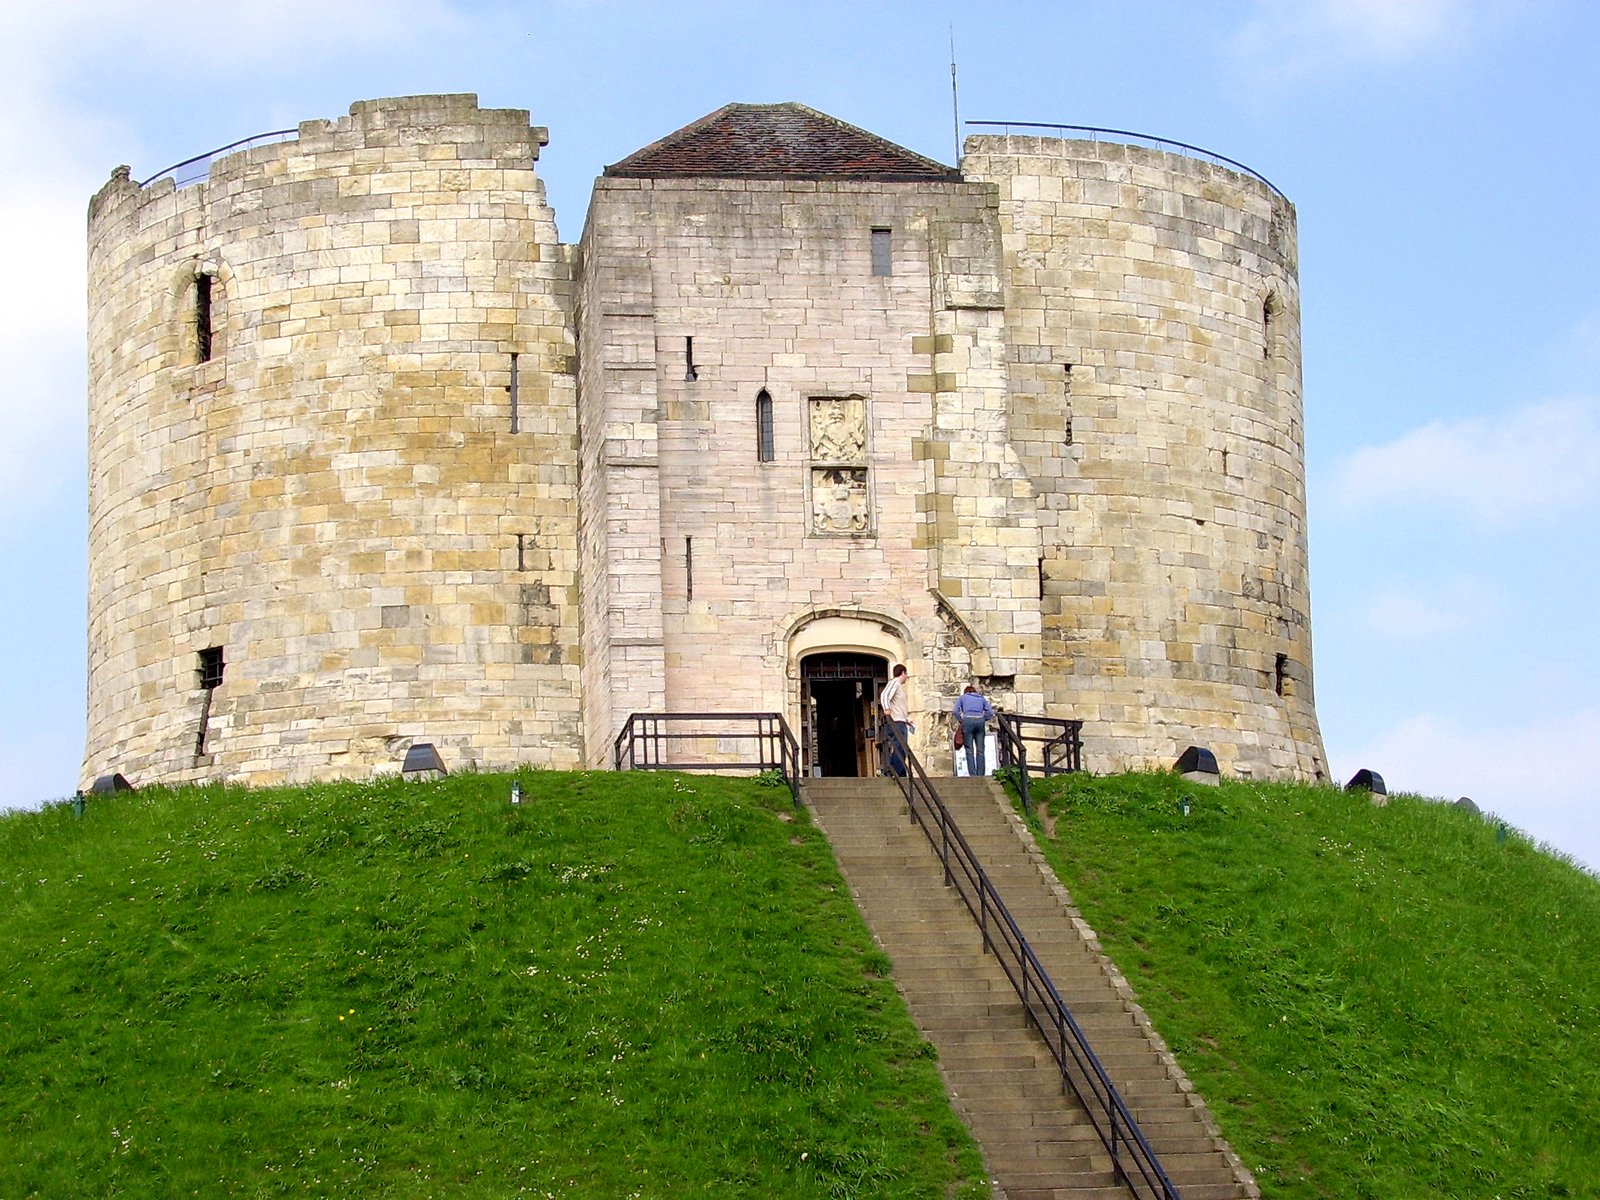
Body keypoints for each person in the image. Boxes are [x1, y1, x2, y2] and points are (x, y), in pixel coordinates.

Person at [951, 684, 996, 777]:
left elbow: (955, 710)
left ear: (966, 692)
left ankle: (973, 775)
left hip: (967, 721)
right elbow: (990, 713)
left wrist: (961, 720)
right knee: (980, 750)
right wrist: (983, 719)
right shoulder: (981, 698)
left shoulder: (962, 698)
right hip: (980, 721)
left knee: (969, 749)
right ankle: (981, 774)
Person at [879, 663, 912, 777]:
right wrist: (886, 708)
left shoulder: (898, 687)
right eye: (906, 674)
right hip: (896, 722)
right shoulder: (895, 683)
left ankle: (899, 772)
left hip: (901, 721)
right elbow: (884, 695)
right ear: (903, 673)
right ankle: (893, 770)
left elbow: (898, 706)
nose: (907, 677)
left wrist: (907, 719)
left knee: (902, 749)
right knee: (899, 747)